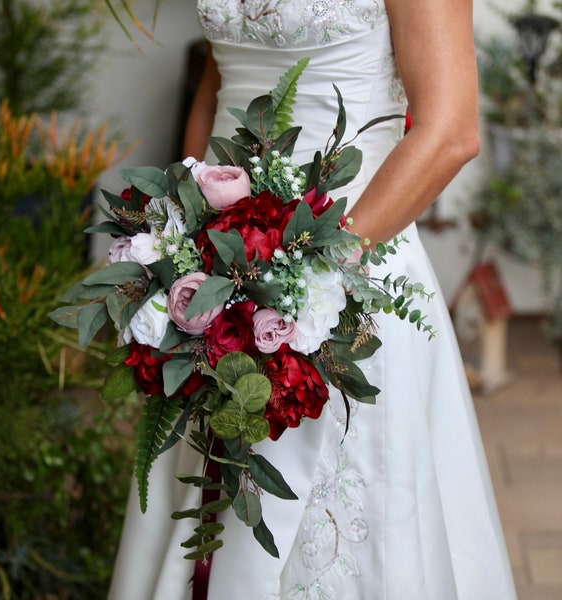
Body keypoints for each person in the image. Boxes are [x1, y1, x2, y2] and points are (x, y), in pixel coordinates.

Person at [108, 1, 517, 598]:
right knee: (206, 488)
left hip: (343, 270)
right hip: (217, 269)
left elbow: (451, 132)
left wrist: (307, 280)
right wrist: (182, 230)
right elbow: (218, 80)